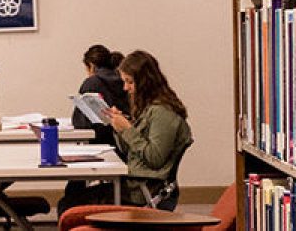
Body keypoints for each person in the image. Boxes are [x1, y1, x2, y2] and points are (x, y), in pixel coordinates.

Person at [56, 50, 194, 214]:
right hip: (136, 185)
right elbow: (130, 151)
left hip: (144, 192)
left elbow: (155, 158)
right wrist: (118, 126)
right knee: (71, 198)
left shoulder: (163, 113)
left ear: (145, 82)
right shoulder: (149, 109)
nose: (125, 88)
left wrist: (127, 129)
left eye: (129, 82)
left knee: (69, 205)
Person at [69, 45, 130, 143]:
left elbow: (80, 123)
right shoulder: (125, 80)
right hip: (124, 141)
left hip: (98, 141)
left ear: (91, 66)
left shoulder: (92, 83)